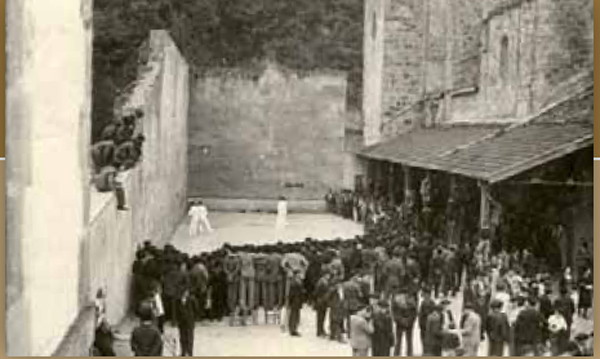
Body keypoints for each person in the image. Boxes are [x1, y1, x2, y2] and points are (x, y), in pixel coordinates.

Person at [391, 290, 417, 356]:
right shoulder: (396, 301)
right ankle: (396, 355)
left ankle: (409, 354)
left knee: (409, 341)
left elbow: (414, 313)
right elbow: (394, 313)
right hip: (400, 324)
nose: (404, 296)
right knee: (398, 341)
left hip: (409, 324)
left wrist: (409, 321)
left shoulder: (412, 302)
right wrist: (402, 320)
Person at [174, 289, 198, 356]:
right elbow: (176, 311)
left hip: (189, 322)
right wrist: (176, 320)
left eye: (187, 292)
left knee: (190, 338)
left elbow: (196, 309)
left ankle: (190, 353)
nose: (186, 293)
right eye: (184, 292)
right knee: (182, 338)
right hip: (181, 323)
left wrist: (192, 318)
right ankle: (183, 352)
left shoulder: (192, 300)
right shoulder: (177, 301)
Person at [288, 270, 305, 337]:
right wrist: (290, 301)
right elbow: (292, 293)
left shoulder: (297, 281)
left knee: (296, 315)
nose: (301, 274)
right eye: (300, 273)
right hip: (295, 301)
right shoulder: (295, 282)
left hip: (297, 301)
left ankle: (294, 329)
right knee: (294, 315)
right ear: (297, 274)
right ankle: (293, 330)